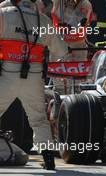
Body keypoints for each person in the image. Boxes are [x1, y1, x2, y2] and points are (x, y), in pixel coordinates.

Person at [0, 0, 68, 169]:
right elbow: (61, 51)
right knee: (39, 119)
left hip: (6, 75)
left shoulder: (4, 14)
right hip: (34, 77)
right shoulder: (43, 20)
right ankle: (49, 160)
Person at [51, 0, 94, 94]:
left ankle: (76, 104)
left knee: (77, 86)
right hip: (58, 45)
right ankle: (57, 103)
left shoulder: (85, 4)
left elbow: (76, 23)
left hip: (78, 47)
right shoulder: (58, 2)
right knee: (59, 86)